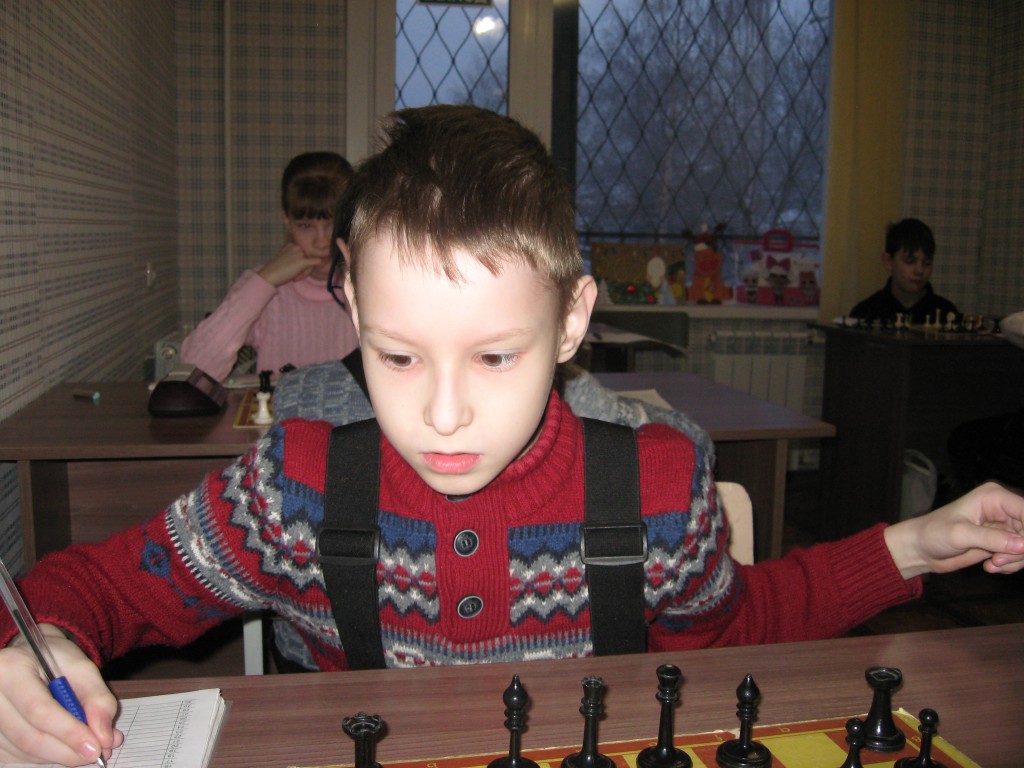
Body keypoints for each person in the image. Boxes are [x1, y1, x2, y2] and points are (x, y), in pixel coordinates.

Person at [2, 106, 1024, 767]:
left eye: (495, 356)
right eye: (399, 357)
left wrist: (913, 544)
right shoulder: (293, 489)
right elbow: (95, 589)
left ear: (572, 323)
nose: (444, 414)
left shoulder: (656, 487)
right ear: (352, 308)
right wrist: (32, 647)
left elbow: (741, 622)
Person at [180, 151, 360, 382]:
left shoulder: (370, 286)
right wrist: (264, 281)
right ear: (287, 221)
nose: (321, 241)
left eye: (332, 224)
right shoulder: (264, 287)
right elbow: (193, 369)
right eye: (305, 225)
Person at [848, 217, 959, 325]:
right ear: (888, 261)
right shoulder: (866, 313)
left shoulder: (947, 314)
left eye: (927, 262)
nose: (920, 270)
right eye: (910, 261)